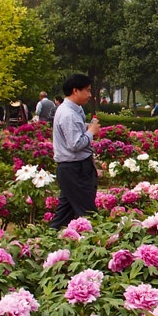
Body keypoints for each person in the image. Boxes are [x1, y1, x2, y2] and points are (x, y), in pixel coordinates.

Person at [50, 74, 103, 229]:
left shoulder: (75, 109)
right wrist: (91, 132)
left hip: (76, 167)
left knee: (64, 215)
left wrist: (87, 128)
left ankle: (46, 242)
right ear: (75, 91)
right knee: (88, 214)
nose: (90, 95)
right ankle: (97, 245)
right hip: (75, 169)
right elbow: (75, 144)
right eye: (86, 90)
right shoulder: (68, 114)